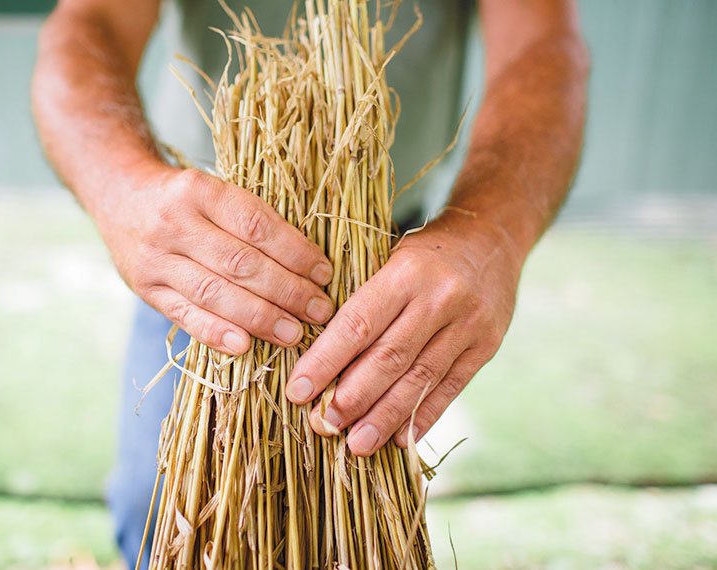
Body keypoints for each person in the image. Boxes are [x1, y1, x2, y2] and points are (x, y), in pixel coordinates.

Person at [32, 0, 588, 564]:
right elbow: (88, 21)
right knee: (153, 509)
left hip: (397, 248)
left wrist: (492, 232)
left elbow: (539, 44)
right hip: (196, 246)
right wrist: (122, 188)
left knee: (355, 527)